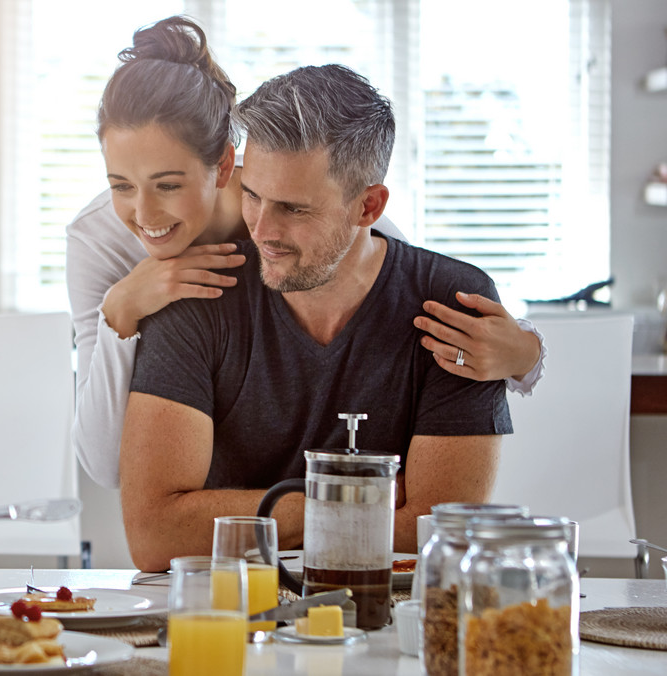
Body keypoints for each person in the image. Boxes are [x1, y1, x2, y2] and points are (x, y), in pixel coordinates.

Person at [65, 16, 543, 491]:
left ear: (225, 163)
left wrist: (526, 354)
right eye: (120, 185)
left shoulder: (303, 193)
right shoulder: (99, 240)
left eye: (168, 184)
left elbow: (395, 277)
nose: (144, 213)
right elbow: (106, 468)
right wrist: (120, 311)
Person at [119, 64, 513, 572]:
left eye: (294, 210)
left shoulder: (452, 305)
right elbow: (155, 536)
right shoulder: (197, 295)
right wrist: (349, 504)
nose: (262, 229)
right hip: (236, 616)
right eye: (253, 196)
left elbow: (443, 532)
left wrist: (239, 518)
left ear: (368, 206)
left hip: (388, 619)